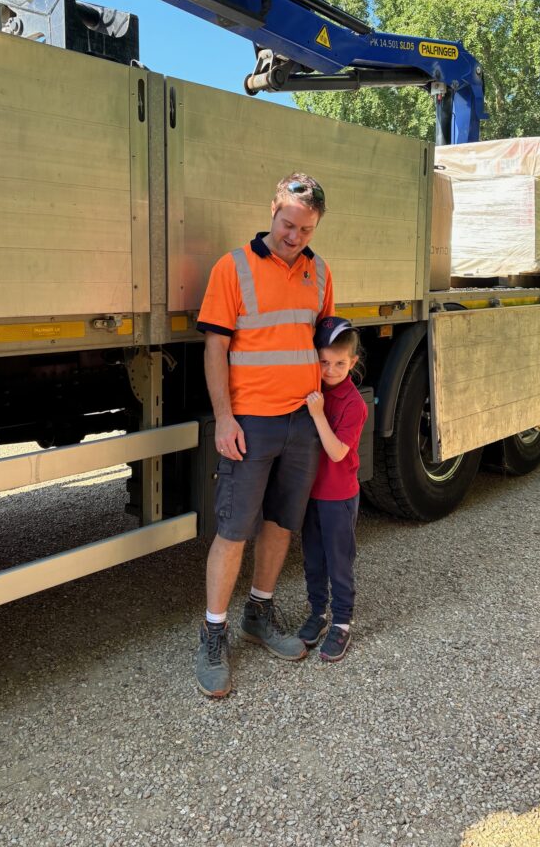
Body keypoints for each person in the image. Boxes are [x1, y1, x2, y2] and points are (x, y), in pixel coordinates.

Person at [195, 172, 334, 698]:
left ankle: (258, 611)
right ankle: (213, 633)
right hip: (250, 422)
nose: (293, 235)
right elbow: (214, 349)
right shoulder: (232, 268)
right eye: (287, 222)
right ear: (272, 209)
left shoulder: (319, 272)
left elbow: (321, 341)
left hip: (302, 421)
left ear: (316, 226)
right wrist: (224, 418)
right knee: (233, 531)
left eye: (306, 228)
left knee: (280, 524)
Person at [297, 316, 368, 662]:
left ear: (353, 363)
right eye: (323, 362)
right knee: (312, 557)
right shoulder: (316, 391)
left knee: (338, 560)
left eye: (340, 363)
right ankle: (317, 613)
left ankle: (341, 621)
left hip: (338, 496)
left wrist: (318, 414)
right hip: (311, 494)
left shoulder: (353, 405)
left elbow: (338, 451)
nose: (331, 370)